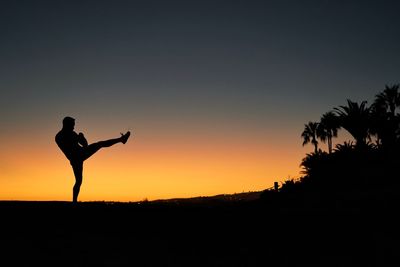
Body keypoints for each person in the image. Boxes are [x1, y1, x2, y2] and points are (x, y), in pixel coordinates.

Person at [55, 116, 131, 203]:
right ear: (66, 124)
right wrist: (80, 139)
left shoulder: (70, 134)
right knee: (78, 181)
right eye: (72, 125)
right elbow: (69, 149)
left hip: (78, 156)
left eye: (74, 125)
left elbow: (85, 145)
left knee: (100, 144)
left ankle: (121, 139)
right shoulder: (60, 136)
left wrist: (82, 138)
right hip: (77, 157)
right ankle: (74, 202)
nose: (73, 127)